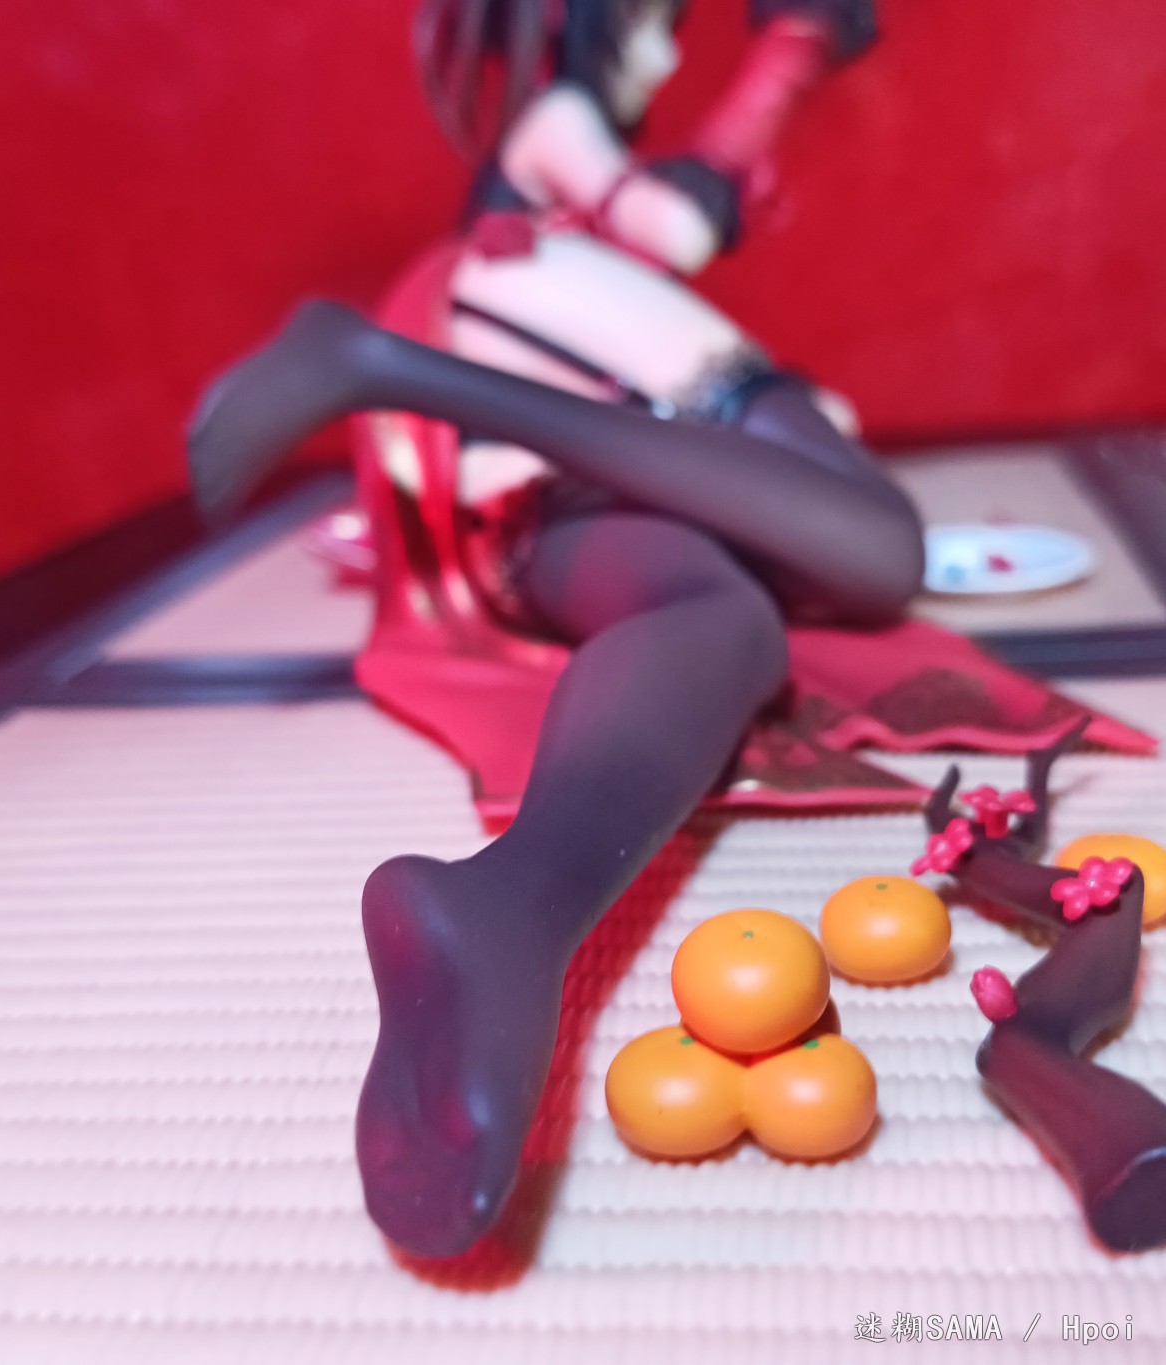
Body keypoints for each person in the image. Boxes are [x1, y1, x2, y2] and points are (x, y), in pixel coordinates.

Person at [187, 0, 925, 1258]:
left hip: (556, 498)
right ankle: (385, 366)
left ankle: (508, 909)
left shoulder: (564, 161)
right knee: (879, 550)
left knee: (719, 615)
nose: (666, 51)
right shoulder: (560, 117)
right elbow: (673, 229)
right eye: (649, 21)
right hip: (606, 410)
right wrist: (787, 66)